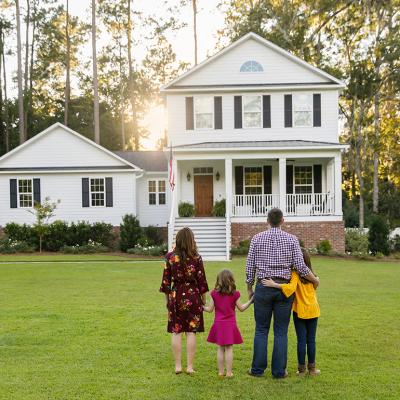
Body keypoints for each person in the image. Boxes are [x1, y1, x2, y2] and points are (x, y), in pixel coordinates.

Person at [246, 208, 320, 379]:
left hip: (263, 287)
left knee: (261, 330)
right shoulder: (292, 240)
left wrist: (250, 288)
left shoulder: (256, 239)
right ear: (282, 221)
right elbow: (301, 268)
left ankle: (257, 370)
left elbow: (250, 266)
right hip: (284, 290)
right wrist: (314, 279)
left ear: (267, 221)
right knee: (281, 331)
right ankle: (279, 371)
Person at [262, 248, 321, 376]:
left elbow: (290, 288)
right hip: (313, 310)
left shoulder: (294, 274)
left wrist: (274, 284)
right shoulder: (313, 275)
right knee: (311, 340)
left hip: (299, 311)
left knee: (301, 341)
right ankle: (312, 369)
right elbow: (316, 286)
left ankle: (301, 370)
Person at [159, 227, 209, 375]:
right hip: (193, 296)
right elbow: (202, 282)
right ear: (191, 240)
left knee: (176, 331)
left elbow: (166, 282)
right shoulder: (196, 257)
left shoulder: (169, 257)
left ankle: (178, 366)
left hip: (176, 295)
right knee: (191, 331)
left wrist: (167, 301)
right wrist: (203, 300)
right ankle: (190, 367)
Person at [203, 269, 253, 378]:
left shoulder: (214, 294)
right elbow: (242, 308)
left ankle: (221, 372)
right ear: (231, 280)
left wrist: (201, 307)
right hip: (230, 325)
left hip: (219, 324)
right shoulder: (235, 294)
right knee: (229, 348)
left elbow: (210, 309)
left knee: (220, 348)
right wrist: (251, 301)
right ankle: (229, 373)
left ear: (218, 281)